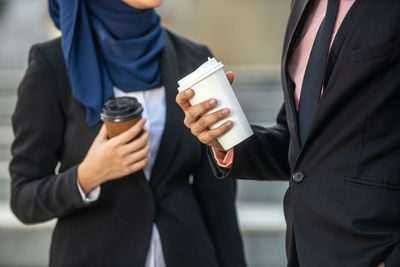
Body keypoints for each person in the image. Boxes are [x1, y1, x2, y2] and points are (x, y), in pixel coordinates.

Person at [9, 0, 247, 266]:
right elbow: (23, 199)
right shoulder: (52, 64)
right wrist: (86, 177)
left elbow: (219, 200)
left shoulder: (195, 59)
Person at [176, 0, 400, 266]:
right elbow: (302, 147)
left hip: (376, 248)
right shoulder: (303, 5)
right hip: (304, 248)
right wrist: (226, 138)